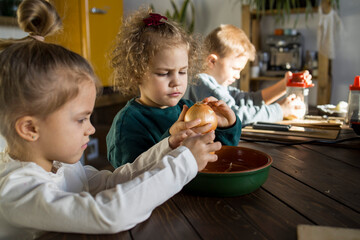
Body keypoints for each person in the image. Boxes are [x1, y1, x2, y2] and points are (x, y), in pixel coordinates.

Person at [0, 1, 222, 239]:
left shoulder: (61, 166)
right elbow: (109, 212)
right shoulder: (18, 191)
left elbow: (113, 182)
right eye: (81, 119)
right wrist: (183, 163)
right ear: (30, 128)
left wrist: (169, 147)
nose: (91, 128)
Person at [106, 10, 242, 167]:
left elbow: (218, 154)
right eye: (164, 74)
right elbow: (133, 178)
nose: (176, 82)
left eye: (182, 71)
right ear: (136, 74)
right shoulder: (127, 124)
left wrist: (227, 126)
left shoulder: (188, 109)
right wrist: (170, 140)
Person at [185, 24, 312, 126]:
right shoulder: (203, 83)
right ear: (212, 61)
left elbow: (247, 100)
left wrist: (284, 86)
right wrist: (280, 110)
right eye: (235, 68)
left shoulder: (218, 85)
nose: (238, 76)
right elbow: (235, 114)